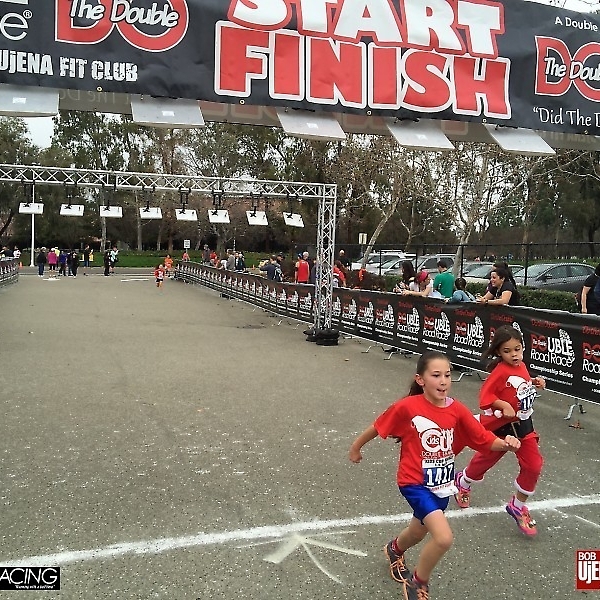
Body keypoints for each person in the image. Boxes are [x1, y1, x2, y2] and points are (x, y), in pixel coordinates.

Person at [349, 351, 521, 599]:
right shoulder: (408, 406)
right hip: (414, 482)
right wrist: (356, 447)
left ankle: (394, 549)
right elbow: (379, 426)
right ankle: (417, 582)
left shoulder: (456, 409)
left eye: (447, 375)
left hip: (441, 485)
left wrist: (505, 444)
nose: (443, 381)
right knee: (443, 538)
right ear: (420, 380)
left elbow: (483, 438)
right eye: (436, 375)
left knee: (417, 533)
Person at [453, 325, 546, 537]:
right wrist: (503, 405)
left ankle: (518, 505)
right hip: (501, 427)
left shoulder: (521, 365)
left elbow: (519, 385)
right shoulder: (500, 371)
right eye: (507, 351)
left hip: (523, 426)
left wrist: (534, 382)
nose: (514, 354)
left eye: (517, 349)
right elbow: (485, 398)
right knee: (484, 460)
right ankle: (463, 482)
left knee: (534, 465)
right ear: (498, 352)